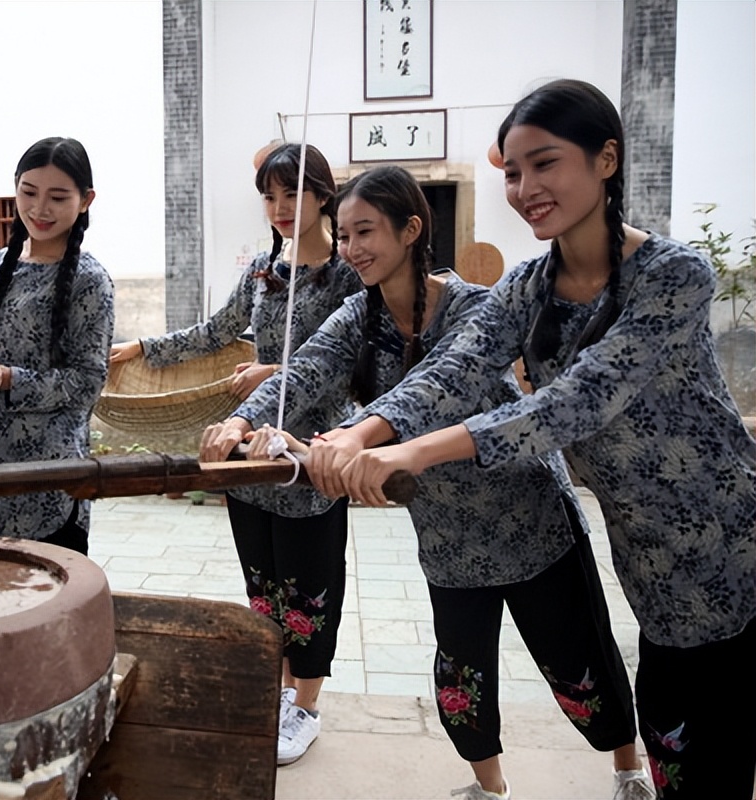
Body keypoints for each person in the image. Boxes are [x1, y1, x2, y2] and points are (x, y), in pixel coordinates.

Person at [327, 80, 756, 799]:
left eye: (545, 163)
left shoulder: (674, 277)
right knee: (674, 749)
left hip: (730, 548)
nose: (525, 188)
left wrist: (412, 450)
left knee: (714, 755)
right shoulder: (528, 286)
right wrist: (366, 431)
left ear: (607, 159)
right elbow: (457, 367)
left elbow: (577, 401)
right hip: (648, 563)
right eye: (513, 173)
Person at [204, 165, 653, 799]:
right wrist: (245, 417)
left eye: (367, 232)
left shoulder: (474, 307)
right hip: (445, 531)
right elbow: (305, 371)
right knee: (462, 673)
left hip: (528, 518)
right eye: (345, 234)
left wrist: (356, 434)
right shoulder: (356, 315)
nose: (353, 248)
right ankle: (488, 787)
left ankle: (628, 770)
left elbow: (441, 387)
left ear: (411, 229)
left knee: (579, 660)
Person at [114, 143, 363, 765]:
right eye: (270, 196)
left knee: (311, 584)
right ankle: (278, 693)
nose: (279, 208)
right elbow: (216, 331)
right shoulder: (261, 269)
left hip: (310, 458)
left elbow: (354, 363)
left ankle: (305, 705)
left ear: (323, 195)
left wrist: (271, 371)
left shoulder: (349, 272)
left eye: (293, 193)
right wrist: (142, 346)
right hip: (248, 455)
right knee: (265, 583)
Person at [0, 137, 114, 556]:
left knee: (48, 609)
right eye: (29, 192)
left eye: (58, 197)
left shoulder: (92, 281)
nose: (40, 209)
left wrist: (2, 379)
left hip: (47, 482)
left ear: (86, 200)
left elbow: (86, 383)